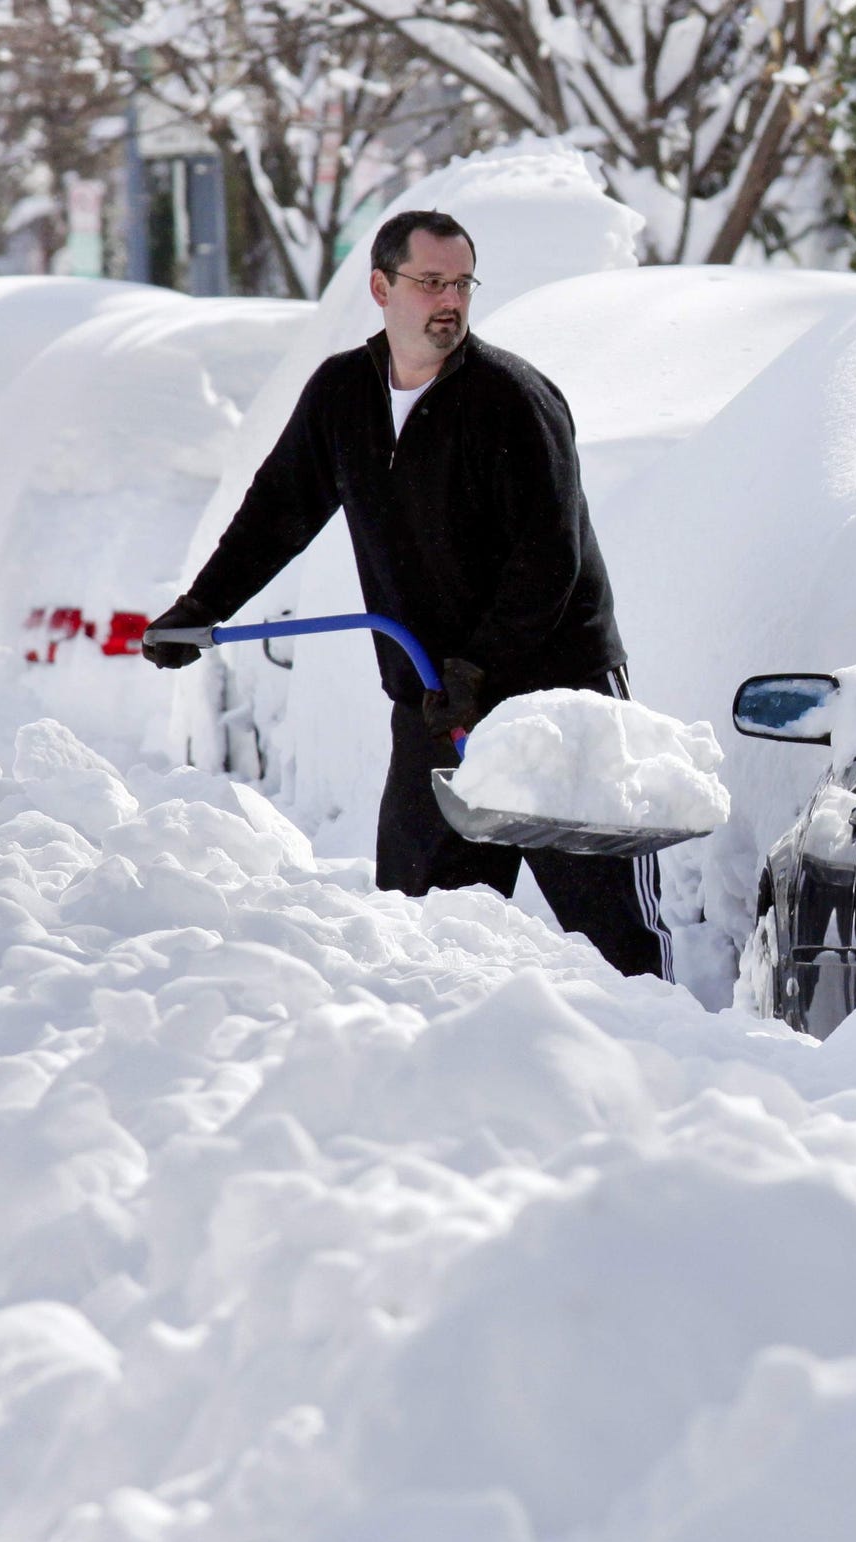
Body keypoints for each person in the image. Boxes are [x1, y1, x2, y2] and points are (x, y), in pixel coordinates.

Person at [142, 209, 664, 977]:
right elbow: (278, 510)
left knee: (614, 939)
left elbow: (546, 562)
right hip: (433, 701)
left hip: (555, 700)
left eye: (460, 284)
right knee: (420, 931)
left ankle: (665, 1068)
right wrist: (201, 608)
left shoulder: (512, 399)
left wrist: (479, 669)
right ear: (382, 287)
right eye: (430, 283)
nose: (448, 300)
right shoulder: (343, 395)